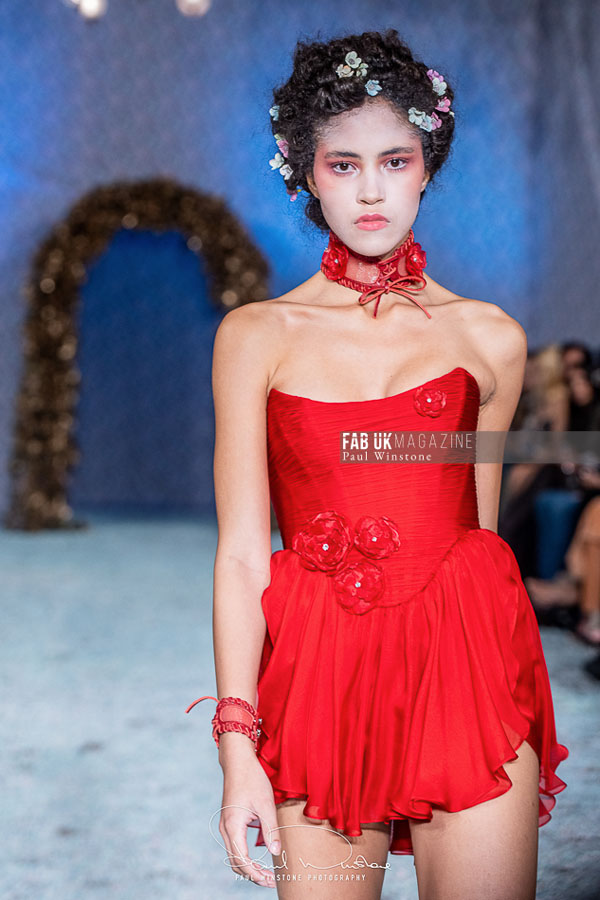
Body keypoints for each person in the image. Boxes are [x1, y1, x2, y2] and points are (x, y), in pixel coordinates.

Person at [186, 30, 569, 899]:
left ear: (427, 166)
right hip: (320, 677)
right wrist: (238, 744)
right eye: (343, 164)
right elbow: (242, 555)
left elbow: (478, 536)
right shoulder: (256, 337)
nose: (369, 190)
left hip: (463, 669)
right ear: (306, 174)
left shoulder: (491, 340)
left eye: (394, 161)